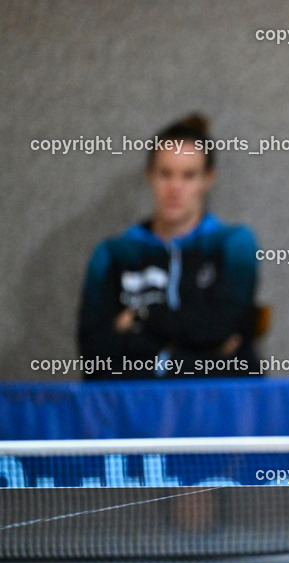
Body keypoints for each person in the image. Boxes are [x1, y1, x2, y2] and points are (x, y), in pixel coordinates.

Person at [77, 114, 259, 380]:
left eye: (188, 176)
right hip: (135, 409)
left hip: (219, 407)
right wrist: (196, 354)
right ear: (149, 175)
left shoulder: (234, 244)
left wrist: (139, 317)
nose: (175, 188)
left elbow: (225, 334)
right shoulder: (114, 253)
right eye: (165, 174)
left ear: (208, 179)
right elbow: (95, 356)